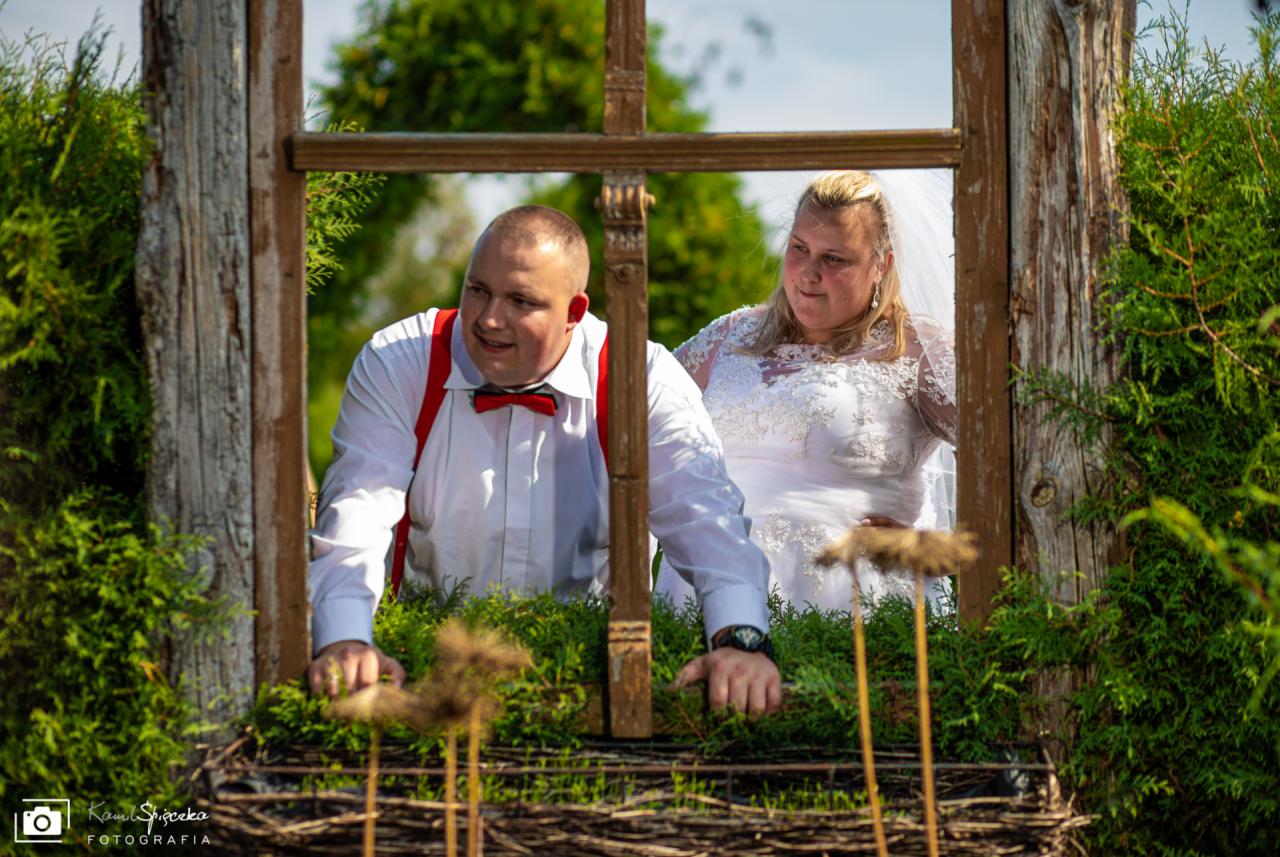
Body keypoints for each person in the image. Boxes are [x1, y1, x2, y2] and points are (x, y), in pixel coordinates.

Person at [307, 205, 782, 715]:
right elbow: (358, 509)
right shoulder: (399, 362)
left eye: (520, 301)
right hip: (425, 670)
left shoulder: (641, 379)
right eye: (478, 290)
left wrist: (740, 642)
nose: (489, 319)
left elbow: (707, 523)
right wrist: (345, 639)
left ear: (575, 313)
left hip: (590, 680)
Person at [655, 170, 957, 613]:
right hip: (707, 598)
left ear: (882, 265)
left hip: (852, 610)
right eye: (799, 249)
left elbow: (1019, 463)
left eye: (835, 259)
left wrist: (940, 547)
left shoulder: (916, 350)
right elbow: (632, 416)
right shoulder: (729, 334)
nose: (808, 274)